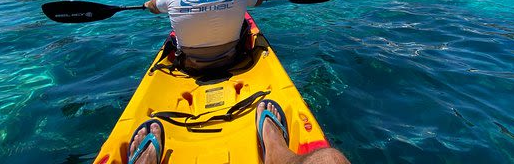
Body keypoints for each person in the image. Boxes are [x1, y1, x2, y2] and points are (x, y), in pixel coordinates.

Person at [126, 100, 352, 164]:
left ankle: (145, 160)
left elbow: (155, 5)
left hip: (192, 58)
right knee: (329, 159)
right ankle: (274, 151)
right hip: (230, 53)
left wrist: (151, 4)